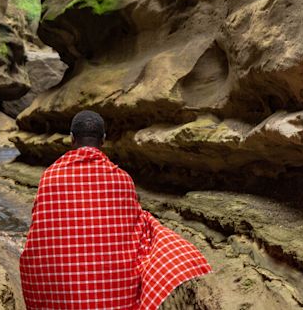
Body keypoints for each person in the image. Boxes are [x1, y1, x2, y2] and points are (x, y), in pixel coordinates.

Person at [19, 110, 211, 310]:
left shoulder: (50, 178)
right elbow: (137, 234)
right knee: (148, 226)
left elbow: (38, 243)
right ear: (103, 140)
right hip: (117, 303)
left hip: (65, 301)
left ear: (72, 139)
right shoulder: (121, 179)